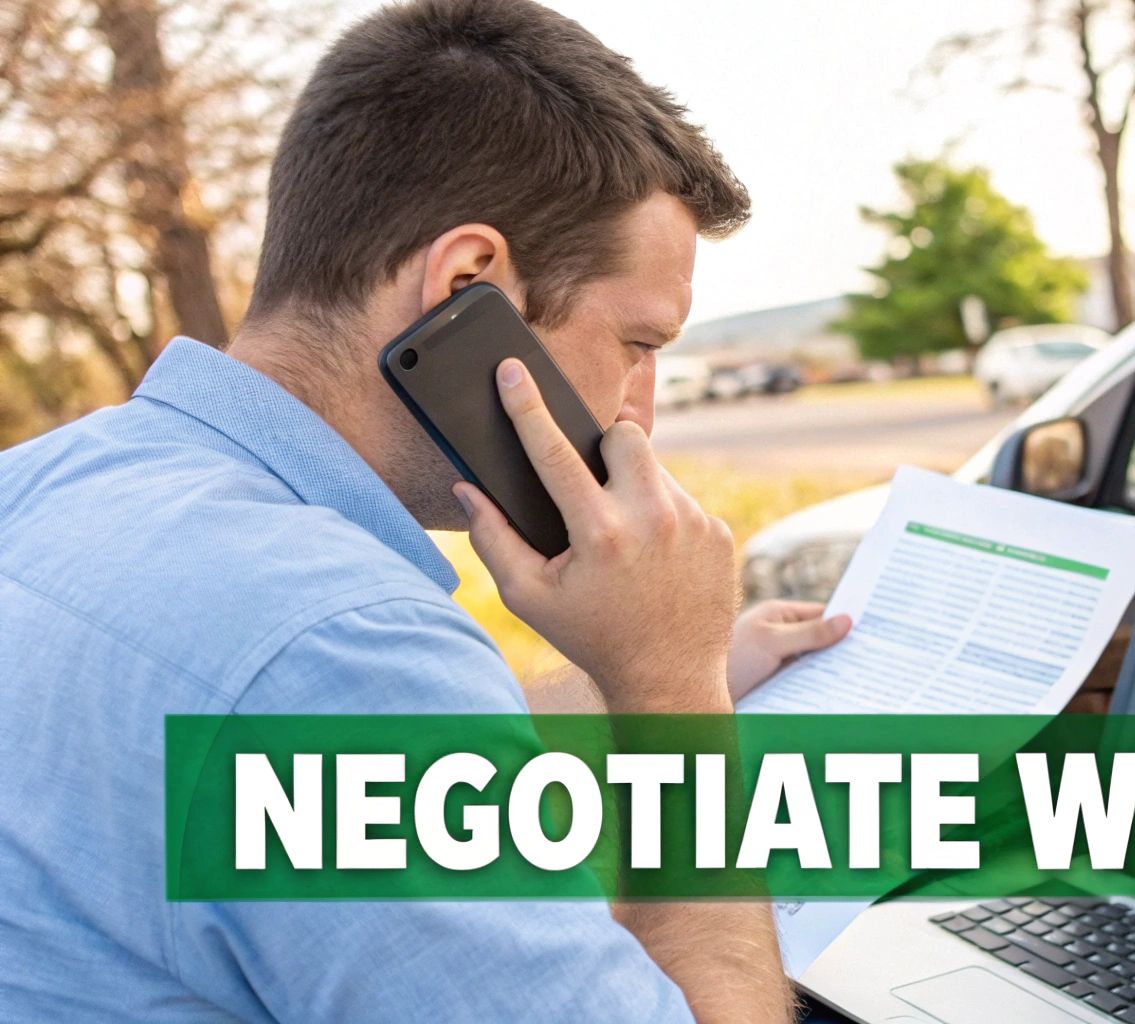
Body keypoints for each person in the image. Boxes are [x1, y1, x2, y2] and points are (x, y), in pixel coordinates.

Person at [0, 0, 849, 1019]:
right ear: (465, 286)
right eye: (637, 345)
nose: (640, 410)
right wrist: (676, 703)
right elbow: (338, 700)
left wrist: (657, 666)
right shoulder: (341, 645)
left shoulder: (49, 481)